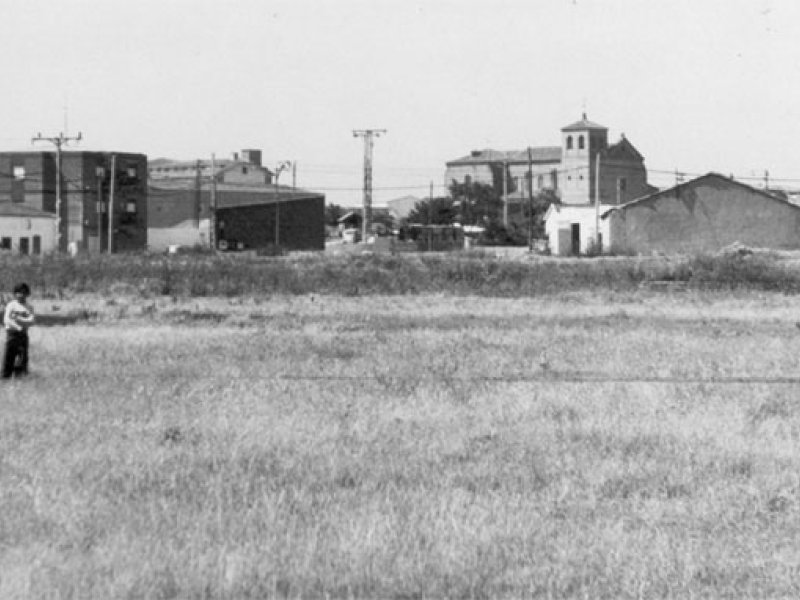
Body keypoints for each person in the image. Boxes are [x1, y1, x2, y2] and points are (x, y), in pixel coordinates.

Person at [3, 283, 34, 378]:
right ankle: (5, 376)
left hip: (23, 335)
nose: (21, 295)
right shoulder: (11, 305)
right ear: (15, 294)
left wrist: (20, 320)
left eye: (24, 293)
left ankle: (20, 376)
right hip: (12, 334)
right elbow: (7, 320)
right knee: (9, 356)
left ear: (27, 294)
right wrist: (18, 327)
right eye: (19, 292)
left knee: (23, 357)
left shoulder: (29, 307)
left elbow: (32, 321)